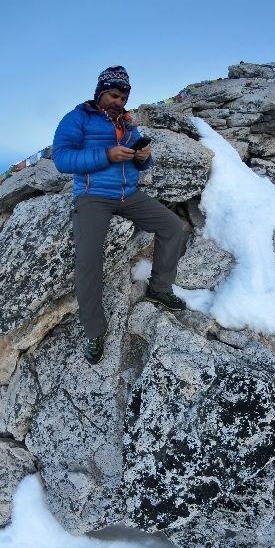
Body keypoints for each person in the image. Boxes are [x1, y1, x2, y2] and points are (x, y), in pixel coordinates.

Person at [51, 65, 191, 365]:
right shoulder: (78, 118)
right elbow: (61, 158)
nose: (119, 102)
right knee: (89, 259)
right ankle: (94, 330)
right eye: (113, 96)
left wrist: (143, 158)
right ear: (101, 93)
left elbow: (142, 164)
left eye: (123, 98)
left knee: (171, 226)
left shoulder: (127, 123)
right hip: (93, 196)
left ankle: (159, 289)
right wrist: (106, 155)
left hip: (129, 195)